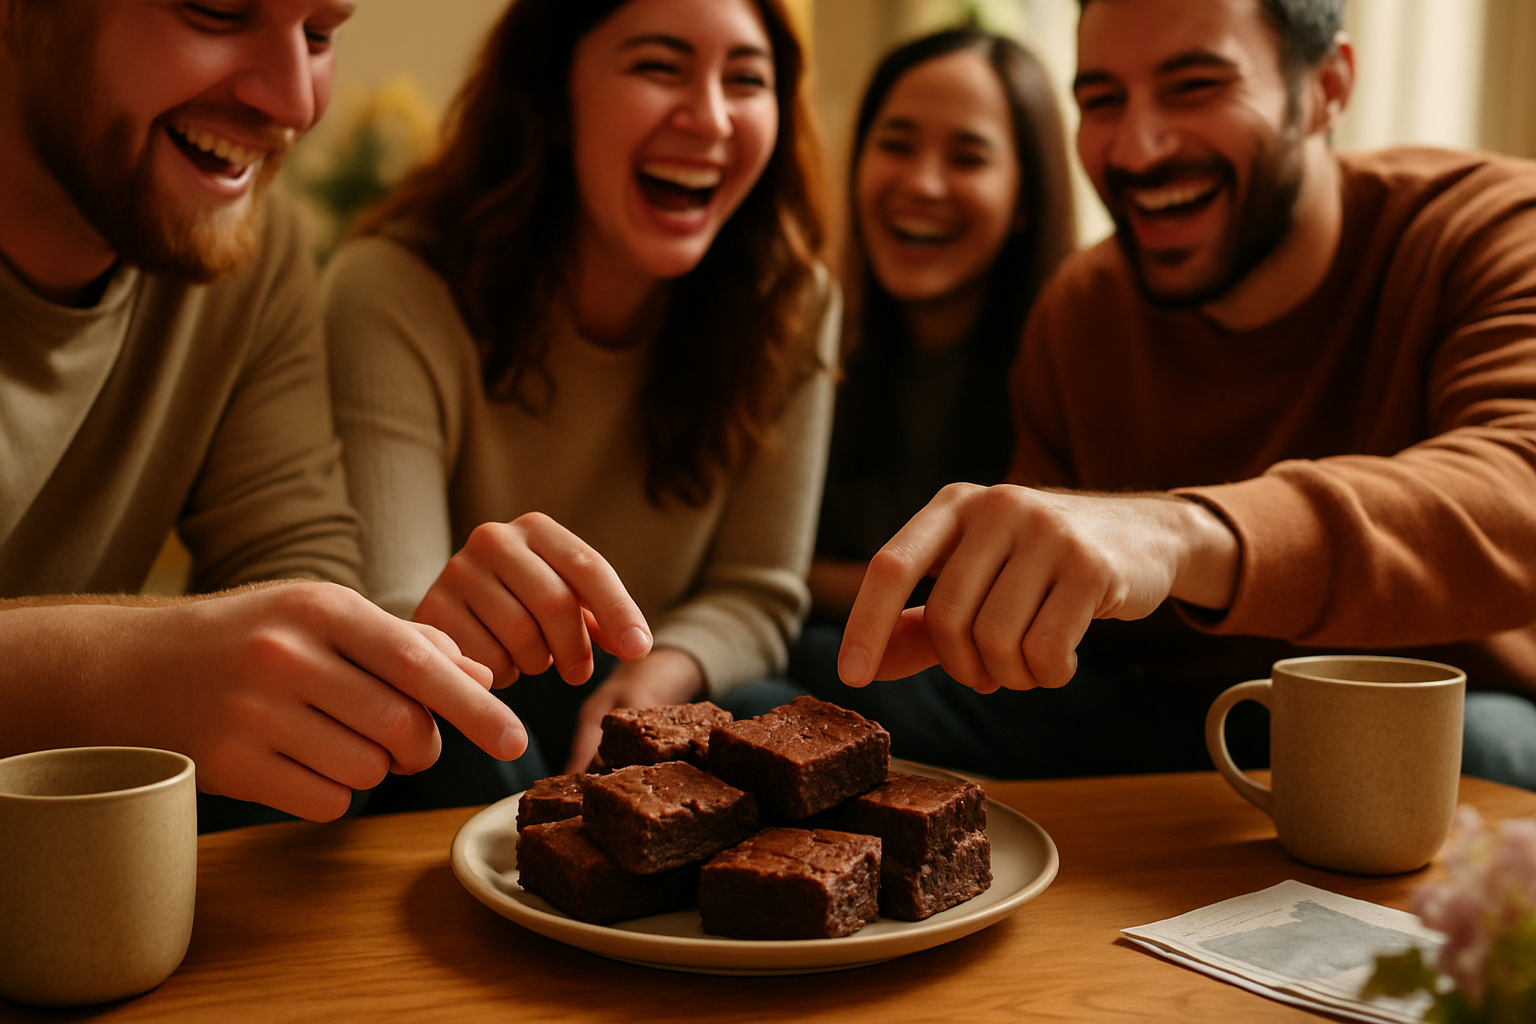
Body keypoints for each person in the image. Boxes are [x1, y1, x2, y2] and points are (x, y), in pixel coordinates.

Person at [835, 0, 1536, 787]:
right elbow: (1056, 658)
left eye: (1195, 86)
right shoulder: (1080, 310)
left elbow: (1522, 486)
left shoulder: (1492, 228)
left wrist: (1179, 534)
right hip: (1174, 723)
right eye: (1101, 100)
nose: (1137, 149)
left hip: (1450, 718)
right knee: (790, 697)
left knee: (1471, 750)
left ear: (1329, 85)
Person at [0, 0, 649, 826]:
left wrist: (408, 641)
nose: (295, 103)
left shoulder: (248, 248)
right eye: (219, 11)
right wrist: (138, 671)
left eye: (319, 34)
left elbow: (296, 568)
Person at [322, 0, 835, 795]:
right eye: (659, 66)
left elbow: (759, 591)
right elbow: (395, 620)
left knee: (766, 705)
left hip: (651, 674)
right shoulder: (393, 289)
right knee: (458, 744)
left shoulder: (792, 305)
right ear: (553, 94)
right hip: (464, 692)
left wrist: (662, 675)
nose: (710, 119)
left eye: (746, 80)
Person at [721, 28, 1077, 724]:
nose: (921, 183)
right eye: (896, 145)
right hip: (826, 654)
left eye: (968, 156)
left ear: (1026, 198)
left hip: (999, 684)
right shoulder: (803, 339)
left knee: (778, 683)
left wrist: (806, 581)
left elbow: (1007, 602)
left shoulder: (1067, 359)